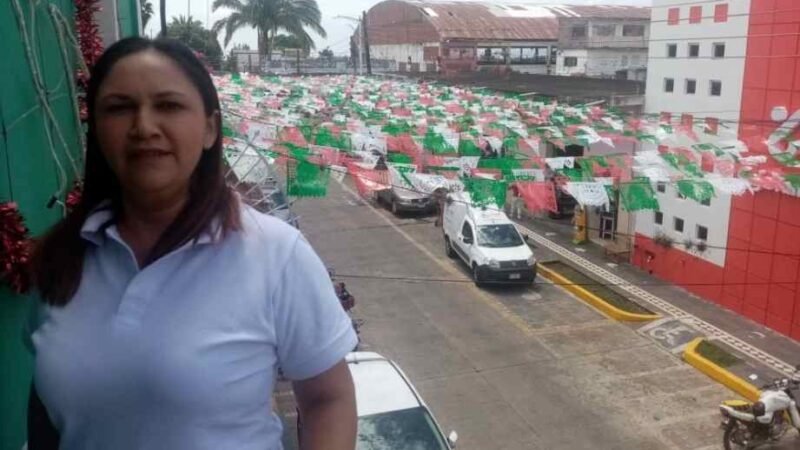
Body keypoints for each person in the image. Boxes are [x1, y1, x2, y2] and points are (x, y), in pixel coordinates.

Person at [25, 37, 357, 450]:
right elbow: (45, 404)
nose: (144, 127)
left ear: (210, 128)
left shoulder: (275, 253)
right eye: (119, 108)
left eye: (168, 105)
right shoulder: (63, 258)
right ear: (96, 128)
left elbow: (328, 399)